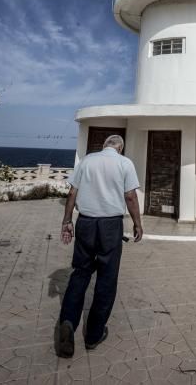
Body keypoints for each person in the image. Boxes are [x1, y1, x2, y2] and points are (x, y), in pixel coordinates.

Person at [58, 135, 143, 358]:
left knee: (80, 273)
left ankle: (67, 321)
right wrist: (137, 223)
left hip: (85, 222)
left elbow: (72, 193)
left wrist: (67, 221)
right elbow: (131, 197)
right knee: (106, 278)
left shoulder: (86, 161)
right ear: (120, 148)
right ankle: (94, 335)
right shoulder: (125, 163)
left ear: (103, 145)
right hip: (110, 226)